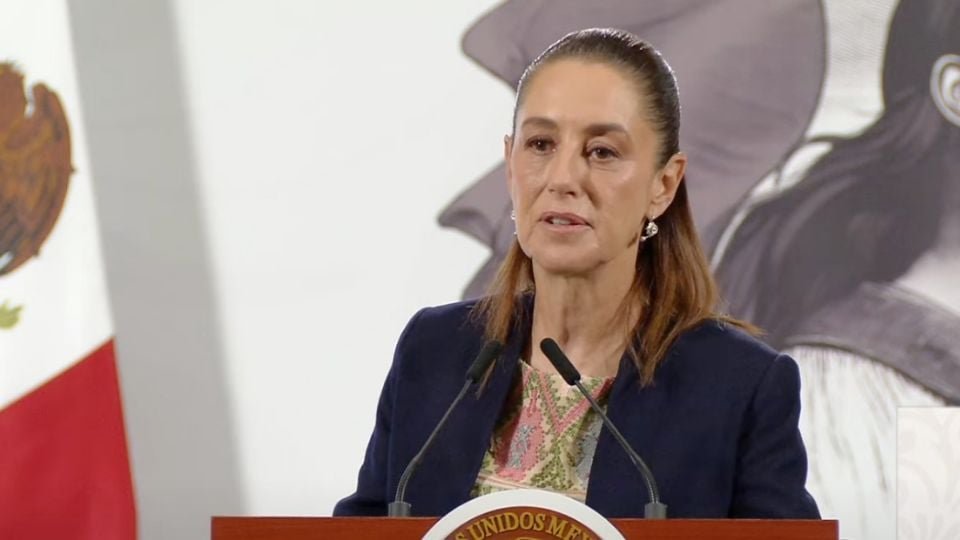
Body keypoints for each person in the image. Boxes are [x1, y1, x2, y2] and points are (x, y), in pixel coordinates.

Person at [334, 28, 820, 519]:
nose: (562, 178)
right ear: (510, 166)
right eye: (541, 144)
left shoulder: (739, 385)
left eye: (602, 152)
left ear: (664, 184)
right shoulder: (434, 351)